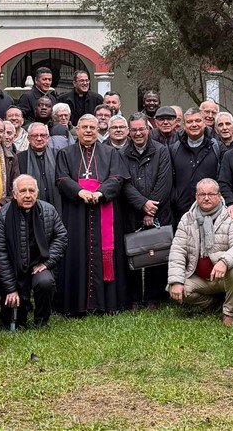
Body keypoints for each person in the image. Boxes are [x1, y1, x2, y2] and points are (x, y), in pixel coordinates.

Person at [55, 115, 130, 315]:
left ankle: (107, 304)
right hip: (76, 211)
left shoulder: (110, 153)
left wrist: (100, 192)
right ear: (76, 130)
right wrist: (79, 192)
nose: (88, 131)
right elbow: (61, 178)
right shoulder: (65, 153)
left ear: (98, 131)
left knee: (105, 251)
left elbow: (117, 177)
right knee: (76, 252)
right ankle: (75, 305)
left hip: (103, 208)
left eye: (92, 128)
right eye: (84, 127)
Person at [0, 175, 67, 329]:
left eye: (31, 191)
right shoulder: (3, 216)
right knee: (12, 321)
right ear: (14, 194)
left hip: (39, 264)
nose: (28, 195)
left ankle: (41, 320)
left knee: (45, 282)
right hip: (13, 270)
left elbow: (61, 237)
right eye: (23, 191)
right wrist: (10, 289)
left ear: (37, 193)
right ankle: (16, 316)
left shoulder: (48, 210)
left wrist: (47, 262)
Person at [167, 178, 233, 326]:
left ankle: (228, 312)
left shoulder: (229, 218)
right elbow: (177, 251)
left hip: (222, 278)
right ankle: (212, 304)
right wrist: (176, 281)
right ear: (196, 196)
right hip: (198, 278)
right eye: (202, 194)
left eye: (211, 194)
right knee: (174, 287)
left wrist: (224, 261)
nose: (206, 198)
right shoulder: (187, 219)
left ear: (219, 196)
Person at [118, 112, 173, 309]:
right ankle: (134, 298)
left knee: (155, 253)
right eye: (134, 130)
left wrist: (151, 211)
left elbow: (164, 182)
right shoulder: (121, 154)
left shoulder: (161, 151)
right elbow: (123, 184)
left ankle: (152, 298)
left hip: (158, 212)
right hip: (131, 213)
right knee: (132, 253)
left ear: (148, 129)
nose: (138, 133)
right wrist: (142, 205)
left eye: (141, 129)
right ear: (128, 132)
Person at [169, 108, 222, 223]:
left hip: (212, 213)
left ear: (204, 123)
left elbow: (223, 178)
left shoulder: (217, 147)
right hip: (182, 213)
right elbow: (170, 179)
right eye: (189, 122)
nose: (194, 125)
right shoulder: (174, 148)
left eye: (198, 120)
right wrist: (175, 198)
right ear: (183, 125)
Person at [16, 122, 63, 215]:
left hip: (57, 206)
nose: (39, 139)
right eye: (34, 136)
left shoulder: (58, 155)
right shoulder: (20, 158)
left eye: (42, 135)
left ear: (48, 138)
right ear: (28, 138)